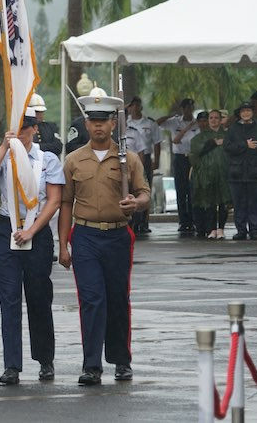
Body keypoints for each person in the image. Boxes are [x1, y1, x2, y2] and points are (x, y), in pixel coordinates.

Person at [59, 87, 151, 386]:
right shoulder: (74, 160)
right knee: (91, 300)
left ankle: (121, 360)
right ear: (86, 124)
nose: (98, 126)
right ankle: (91, 365)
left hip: (117, 235)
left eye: (104, 121)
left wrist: (136, 203)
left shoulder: (129, 159)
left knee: (117, 299)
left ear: (113, 123)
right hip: (85, 235)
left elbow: (145, 193)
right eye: (93, 121)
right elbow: (65, 203)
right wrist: (63, 244)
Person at [0, 108, 63, 385]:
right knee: (9, 298)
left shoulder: (47, 159)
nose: (22, 133)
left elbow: (53, 200)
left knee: (39, 296)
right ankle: (12, 365)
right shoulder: (4, 156)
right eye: (17, 128)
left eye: (26, 128)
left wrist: (32, 230)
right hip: (7, 228)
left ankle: (45, 359)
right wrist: (4, 146)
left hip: (37, 230)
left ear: (35, 129)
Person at [224, 101, 257, 240]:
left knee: (255, 203)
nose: (246, 113)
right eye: (243, 111)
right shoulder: (233, 129)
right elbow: (227, 147)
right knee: (239, 204)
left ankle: (255, 230)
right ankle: (241, 230)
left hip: (255, 172)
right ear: (239, 114)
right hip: (236, 172)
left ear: (252, 113)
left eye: (248, 111)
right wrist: (245, 145)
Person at [159, 98, 199, 234]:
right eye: (186, 107)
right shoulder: (175, 122)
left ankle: (193, 220)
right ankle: (183, 221)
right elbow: (157, 123)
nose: (188, 110)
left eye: (190, 107)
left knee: (192, 190)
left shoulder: (197, 123)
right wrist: (170, 116)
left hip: (193, 159)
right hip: (180, 158)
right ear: (182, 109)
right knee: (181, 191)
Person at [190, 110, 230, 239]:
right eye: (211, 118)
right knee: (210, 202)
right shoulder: (199, 137)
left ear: (220, 119)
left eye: (216, 118)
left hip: (224, 173)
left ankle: (221, 228)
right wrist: (213, 143)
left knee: (224, 202)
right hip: (207, 174)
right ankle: (212, 229)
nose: (213, 120)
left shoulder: (228, 135)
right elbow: (195, 153)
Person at [126, 97, 161, 235]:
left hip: (144, 158)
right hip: (127, 160)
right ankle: (132, 221)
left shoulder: (150, 123)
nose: (134, 108)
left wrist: (156, 161)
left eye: (137, 105)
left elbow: (157, 142)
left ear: (140, 106)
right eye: (132, 105)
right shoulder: (124, 123)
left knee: (145, 189)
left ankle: (144, 222)